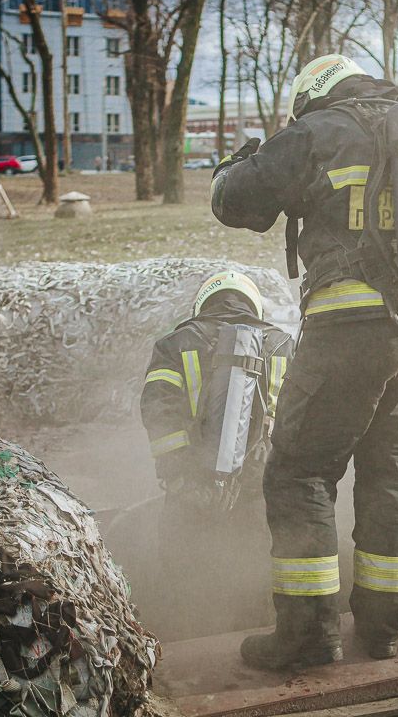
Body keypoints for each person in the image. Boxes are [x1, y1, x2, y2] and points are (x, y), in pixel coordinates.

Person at [209, 54, 398, 670]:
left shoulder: (317, 131)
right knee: (390, 474)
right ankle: (382, 629)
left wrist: (233, 164)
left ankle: (308, 637)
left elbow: (235, 203)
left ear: (314, 93)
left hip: (349, 334)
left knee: (300, 473)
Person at [139, 270, 294, 638]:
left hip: (191, 489)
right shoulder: (282, 345)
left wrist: (181, 474)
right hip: (261, 491)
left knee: (184, 578)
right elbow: (303, 418)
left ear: (203, 303)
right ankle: (258, 644)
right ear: (253, 305)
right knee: (256, 575)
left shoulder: (175, 344)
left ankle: (187, 645)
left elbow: (159, 412)